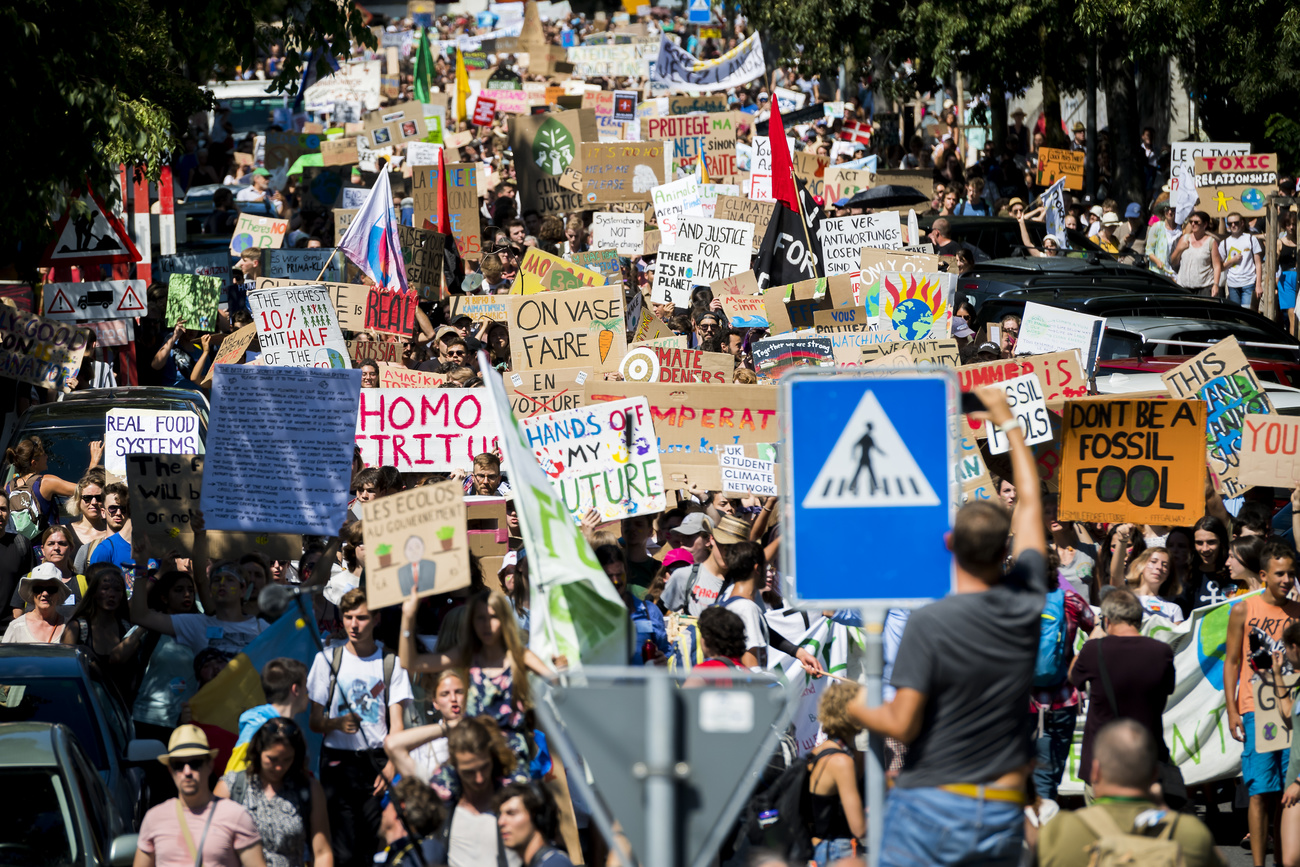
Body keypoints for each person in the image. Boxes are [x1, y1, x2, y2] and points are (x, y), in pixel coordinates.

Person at [848, 384, 1047, 865]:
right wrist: (1009, 423)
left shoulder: (930, 623)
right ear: (1005, 550)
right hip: (1000, 809)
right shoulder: (1026, 603)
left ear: (949, 544)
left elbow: (902, 722)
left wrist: (854, 704)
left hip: (931, 803)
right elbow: (1031, 504)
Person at [308, 588, 412, 867]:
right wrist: (337, 723)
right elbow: (314, 722)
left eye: (362, 617)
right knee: (342, 847)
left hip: (376, 761)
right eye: (348, 616)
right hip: (337, 762)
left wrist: (392, 764)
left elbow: (398, 724)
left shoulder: (391, 664)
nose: (354, 624)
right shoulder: (326, 660)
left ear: (377, 619)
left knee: (371, 844)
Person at [1035, 720, 1224, 867]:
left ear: (1095, 772)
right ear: (1155, 774)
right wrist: (1168, 811)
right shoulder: (1189, 833)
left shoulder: (1059, 831)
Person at [1225, 541, 1300, 867]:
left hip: (1292, 708)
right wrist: (1232, 709)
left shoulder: (1298, 612)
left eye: (1291, 574)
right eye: (1279, 574)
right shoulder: (1244, 609)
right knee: (1260, 790)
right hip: (1257, 707)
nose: (1286, 580)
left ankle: (1285, 859)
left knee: (1288, 791)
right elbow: (1231, 661)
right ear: (1263, 574)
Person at [1070, 589, 1175, 800]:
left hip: (1101, 762)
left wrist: (1092, 639)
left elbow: (1073, 677)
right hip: (1146, 760)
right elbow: (1167, 690)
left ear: (1106, 620)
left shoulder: (1093, 651)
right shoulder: (1162, 651)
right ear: (1139, 618)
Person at [130, 521, 270, 659]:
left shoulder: (264, 629)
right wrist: (141, 565)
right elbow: (140, 616)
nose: (222, 584)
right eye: (216, 580)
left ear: (243, 589)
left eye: (230, 580)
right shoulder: (196, 625)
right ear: (209, 590)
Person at [135, 725, 267, 867]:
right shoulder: (154, 818)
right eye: (178, 765)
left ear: (210, 765)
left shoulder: (236, 816)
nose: (187, 772)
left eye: (195, 763)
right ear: (170, 769)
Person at [215, 717, 332, 867]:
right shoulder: (230, 787)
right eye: (272, 759)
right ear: (258, 751)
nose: (279, 767)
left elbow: (322, 852)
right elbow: (212, 849)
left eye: (286, 760)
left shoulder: (310, 790)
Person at [806, 683, 865, 866]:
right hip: (837, 851)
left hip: (820, 847)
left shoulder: (818, 752)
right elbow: (859, 828)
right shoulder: (841, 762)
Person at [61, 563, 142, 696]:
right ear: (93, 592)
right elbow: (64, 672)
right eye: (105, 588)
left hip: (121, 707)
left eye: (117, 589)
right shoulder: (77, 629)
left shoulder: (127, 628)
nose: (111, 594)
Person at [4, 436, 103, 539]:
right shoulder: (46, 482)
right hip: (45, 547)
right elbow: (84, 490)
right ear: (34, 463)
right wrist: (94, 462)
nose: (47, 457)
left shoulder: (8, 486)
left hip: (20, 546)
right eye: (44, 454)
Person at [227, 658, 311, 775]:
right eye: (306, 686)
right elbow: (234, 776)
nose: (308, 692)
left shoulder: (266, 723)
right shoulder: (259, 726)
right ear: (295, 689)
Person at [497, 781, 574, 867]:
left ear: (537, 816)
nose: (501, 822)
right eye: (500, 814)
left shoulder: (555, 863)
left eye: (511, 813)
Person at [379, 777, 448, 867]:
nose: (384, 810)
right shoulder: (396, 853)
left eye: (389, 802)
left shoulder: (427, 850)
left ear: (400, 807)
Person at [2, 566, 70, 643]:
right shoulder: (17, 626)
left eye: (51, 589)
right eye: (38, 589)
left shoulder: (69, 627)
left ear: (59, 594)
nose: (45, 594)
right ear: (31, 594)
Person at [0, 492, 34, 635]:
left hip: (9, 632)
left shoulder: (21, 544)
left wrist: (17, 619)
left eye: (3, 509)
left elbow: (30, 585)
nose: (0, 513)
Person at [1171, 211, 1223, 297]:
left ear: (1205, 224)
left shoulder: (1211, 242)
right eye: (1191, 222)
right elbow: (1173, 261)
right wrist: (1179, 249)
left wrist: (1216, 285)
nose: (1193, 224)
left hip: (1204, 288)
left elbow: (1217, 266)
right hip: (1184, 288)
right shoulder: (1184, 239)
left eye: (1196, 222)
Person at [1126, 547, 1184, 622]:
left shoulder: (1174, 609)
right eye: (1153, 562)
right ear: (1140, 565)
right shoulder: (1125, 598)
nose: (1159, 567)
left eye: (1165, 565)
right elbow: (1114, 576)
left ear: (1168, 574)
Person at [1219, 211, 1264, 308]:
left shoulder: (1251, 239)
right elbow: (1220, 267)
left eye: (1236, 223)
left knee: (1247, 312)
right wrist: (1233, 261)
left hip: (1249, 282)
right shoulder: (1224, 243)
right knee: (1236, 313)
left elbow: (1258, 263)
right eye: (1230, 223)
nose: (1233, 225)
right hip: (1232, 284)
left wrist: (1258, 285)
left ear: (1242, 223)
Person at [87, 482, 134, 570]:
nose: (118, 513)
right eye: (113, 508)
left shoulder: (143, 547)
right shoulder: (100, 549)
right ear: (103, 512)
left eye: (123, 508)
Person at [1145, 201, 1180, 278]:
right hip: (1160, 273)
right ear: (1163, 212)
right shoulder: (1157, 227)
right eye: (1167, 209)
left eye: (1173, 209)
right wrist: (1157, 262)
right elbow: (1149, 251)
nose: (1170, 212)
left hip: (1177, 274)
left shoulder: (1181, 229)